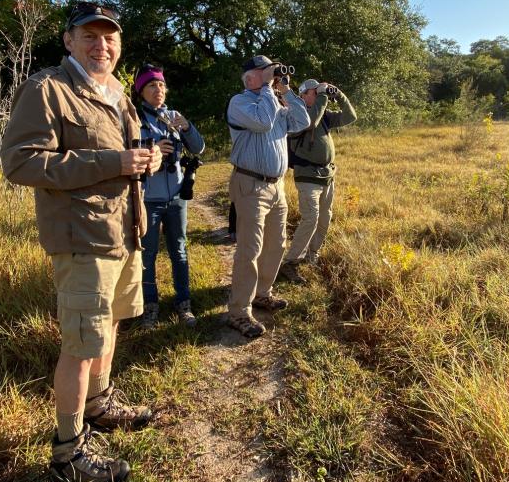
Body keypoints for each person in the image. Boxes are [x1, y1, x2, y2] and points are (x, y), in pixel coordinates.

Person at [1, 1, 161, 482]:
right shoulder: (47, 88)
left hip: (124, 232)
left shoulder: (118, 92)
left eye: (109, 37)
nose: (101, 45)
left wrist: (145, 160)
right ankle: (68, 452)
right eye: (89, 36)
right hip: (82, 237)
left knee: (109, 324)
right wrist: (112, 162)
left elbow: (123, 158)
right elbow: (21, 163)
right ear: (68, 41)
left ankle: (100, 404)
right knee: (79, 343)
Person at [225, 55, 310, 338]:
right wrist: (267, 90)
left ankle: (263, 293)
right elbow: (262, 122)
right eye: (265, 72)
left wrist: (286, 91)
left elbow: (302, 120)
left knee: (276, 244)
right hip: (250, 185)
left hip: (276, 186)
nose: (272, 76)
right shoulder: (241, 103)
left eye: (272, 71)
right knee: (250, 249)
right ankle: (239, 311)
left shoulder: (274, 101)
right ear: (250, 78)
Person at [134, 64, 206, 329]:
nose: (159, 90)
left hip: (176, 196)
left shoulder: (173, 116)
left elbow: (198, 147)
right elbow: (124, 152)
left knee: (179, 251)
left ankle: (183, 304)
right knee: (148, 254)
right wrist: (151, 149)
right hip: (148, 197)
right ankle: (150, 307)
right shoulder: (134, 118)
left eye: (162, 85)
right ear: (141, 90)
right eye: (152, 85)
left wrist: (186, 127)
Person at [278, 79, 358, 283]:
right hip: (307, 176)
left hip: (327, 175)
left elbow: (351, 116)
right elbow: (310, 122)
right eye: (314, 92)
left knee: (324, 219)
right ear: (304, 96)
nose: (319, 95)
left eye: (318, 93)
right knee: (310, 218)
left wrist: (338, 95)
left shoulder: (324, 116)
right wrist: (324, 95)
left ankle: (312, 255)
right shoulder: (297, 116)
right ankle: (291, 262)